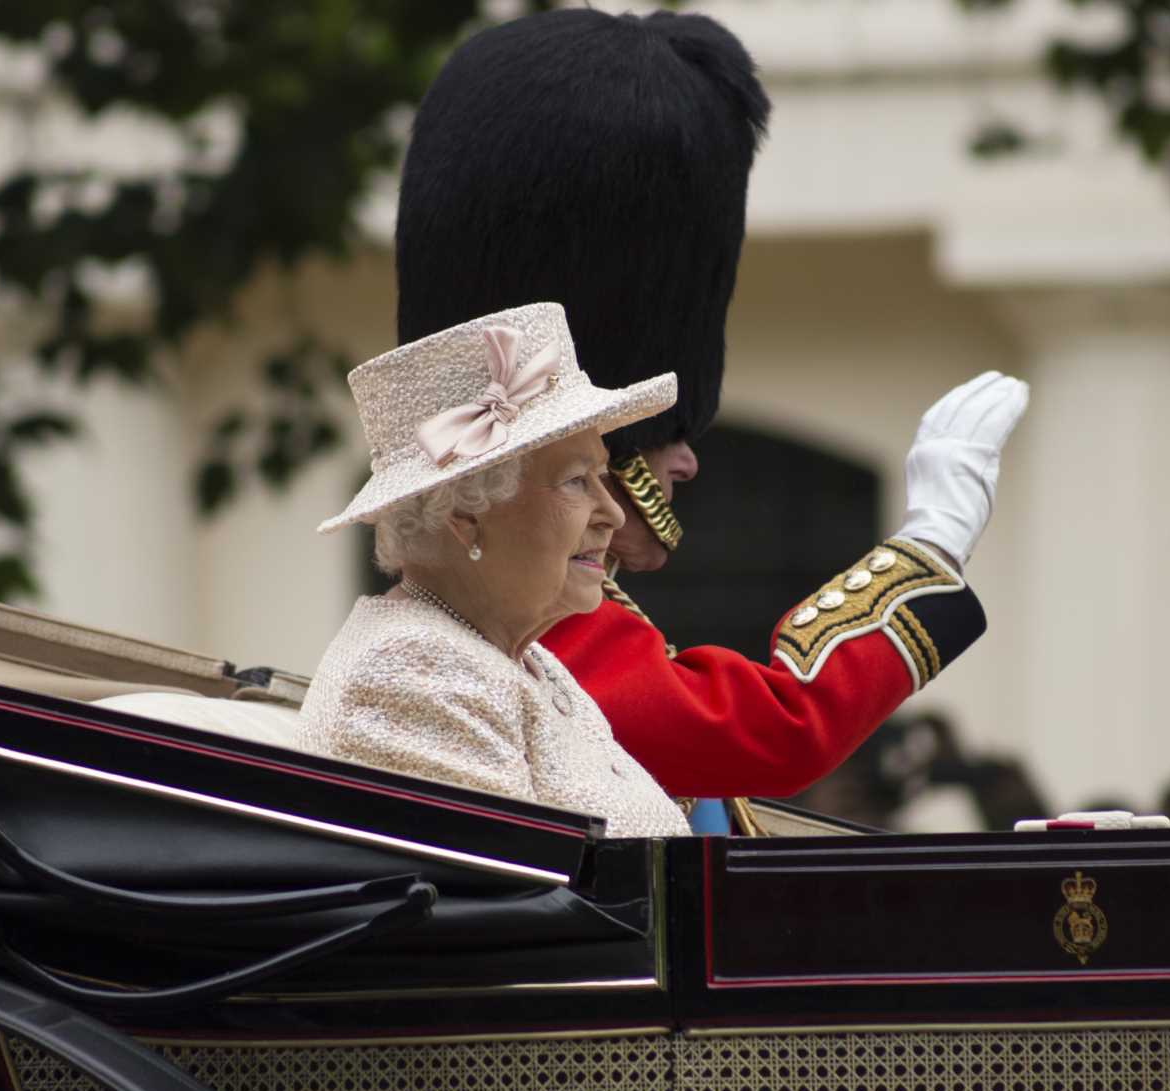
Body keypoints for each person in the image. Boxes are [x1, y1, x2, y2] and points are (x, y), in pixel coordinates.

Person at [396, 9, 1026, 833]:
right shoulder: (532, 628)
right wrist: (929, 546)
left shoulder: (551, 620)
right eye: (594, 460)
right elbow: (776, 727)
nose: (687, 461)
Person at [296, 303, 691, 838]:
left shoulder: (521, 659)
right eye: (577, 481)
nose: (614, 514)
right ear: (465, 517)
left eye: (603, 475)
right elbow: (529, 911)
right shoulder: (418, 671)